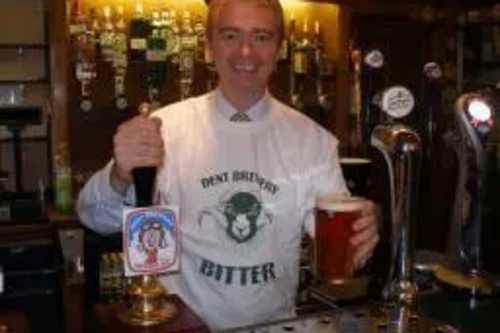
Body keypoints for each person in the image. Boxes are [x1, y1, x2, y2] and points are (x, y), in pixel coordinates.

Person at [77, 0, 379, 330]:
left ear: (279, 49)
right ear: (209, 46)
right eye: (231, 35)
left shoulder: (312, 141)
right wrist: (119, 175)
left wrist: (361, 241)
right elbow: (93, 217)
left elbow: (339, 248)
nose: (246, 52)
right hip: (186, 328)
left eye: (261, 37)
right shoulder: (165, 128)